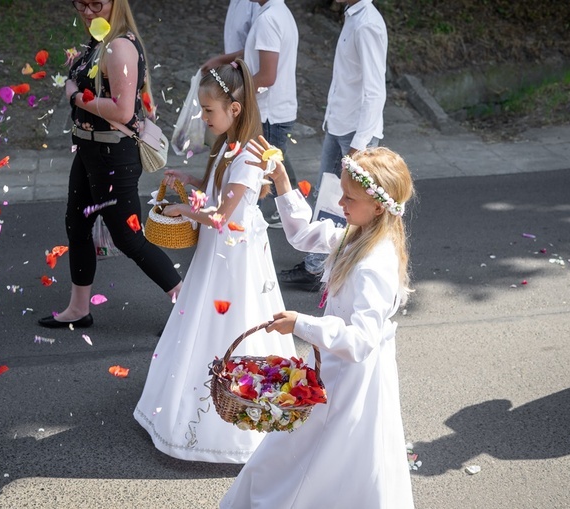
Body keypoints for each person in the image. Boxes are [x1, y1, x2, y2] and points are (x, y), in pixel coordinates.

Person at [221, 137, 415, 508]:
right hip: (332, 365)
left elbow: (360, 341)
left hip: (349, 378)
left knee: (312, 451)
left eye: (349, 199)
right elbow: (301, 234)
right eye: (342, 193)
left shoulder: (374, 264)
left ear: (377, 207)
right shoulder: (356, 236)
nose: (340, 204)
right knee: (314, 450)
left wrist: (301, 324)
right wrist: (281, 181)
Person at [134, 60, 297, 463]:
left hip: (233, 259)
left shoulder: (247, 158)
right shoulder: (227, 146)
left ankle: (233, 413)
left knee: (228, 322)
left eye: (208, 111)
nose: (203, 117)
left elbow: (223, 216)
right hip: (217, 251)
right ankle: (191, 393)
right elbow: (216, 191)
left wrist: (182, 213)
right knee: (201, 323)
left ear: (234, 111)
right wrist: (190, 181)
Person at [38, 0, 182, 329]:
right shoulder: (99, 41)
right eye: (81, 3)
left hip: (112, 155)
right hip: (90, 151)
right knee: (77, 226)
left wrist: (75, 95)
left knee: (128, 237)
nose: (87, 11)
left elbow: (122, 112)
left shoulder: (118, 46)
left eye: (96, 4)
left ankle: (188, 307)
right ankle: (78, 308)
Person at [279, 0, 387, 286]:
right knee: (328, 197)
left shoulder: (367, 23)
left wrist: (358, 147)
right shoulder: (354, 17)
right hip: (340, 124)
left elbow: (375, 92)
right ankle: (317, 268)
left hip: (355, 132)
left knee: (353, 202)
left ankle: (343, 268)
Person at [202, 0, 299, 226]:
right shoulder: (275, 12)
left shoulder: (269, 18)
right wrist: (224, 61)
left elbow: (266, 76)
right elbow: (254, 52)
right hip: (272, 110)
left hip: (268, 113)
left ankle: (243, 231)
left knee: (255, 184)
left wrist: (229, 96)